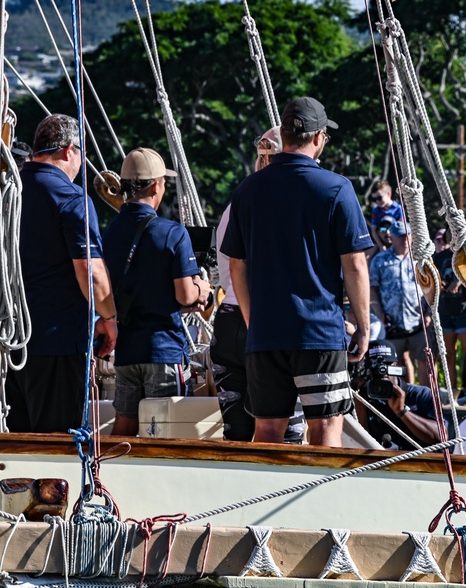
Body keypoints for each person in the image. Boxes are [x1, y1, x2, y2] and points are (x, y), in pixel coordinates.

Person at [221, 96, 373, 447]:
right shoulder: (337, 188)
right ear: (319, 138)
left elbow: (236, 265)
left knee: (268, 432)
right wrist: (363, 327)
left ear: (284, 137)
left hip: (266, 333)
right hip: (318, 332)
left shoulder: (248, 189)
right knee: (325, 430)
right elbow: (354, 264)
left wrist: (251, 319)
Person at [5, 114, 117, 434]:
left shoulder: (9, 191)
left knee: (18, 445)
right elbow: (91, 273)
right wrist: (109, 318)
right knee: (56, 444)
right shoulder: (71, 198)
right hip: (57, 343)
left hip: (11, 343)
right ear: (69, 150)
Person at [103, 148, 211, 436]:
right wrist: (202, 288)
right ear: (156, 185)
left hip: (127, 351)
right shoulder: (172, 232)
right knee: (170, 431)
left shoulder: (109, 233)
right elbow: (185, 297)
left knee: (123, 427)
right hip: (164, 349)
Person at [212, 127, 305, 443]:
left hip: (229, 323)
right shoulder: (285, 205)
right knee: (288, 432)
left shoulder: (237, 202)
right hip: (270, 322)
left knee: (236, 433)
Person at [353, 341, 441, 449]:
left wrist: (402, 411)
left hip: (419, 461)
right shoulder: (360, 395)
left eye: (387, 367)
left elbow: (440, 438)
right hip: (377, 462)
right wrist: (360, 403)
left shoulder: (420, 394)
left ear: (397, 366)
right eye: (374, 369)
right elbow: (359, 444)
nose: (382, 373)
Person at [369, 220, 427, 384]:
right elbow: (373, 289)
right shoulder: (380, 260)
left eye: (407, 235)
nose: (405, 239)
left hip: (418, 320)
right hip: (392, 321)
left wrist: (428, 313)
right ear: (391, 237)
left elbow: (431, 287)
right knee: (397, 362)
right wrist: (380, 314)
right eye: (400, 236)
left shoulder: (420, 259)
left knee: (425, 360)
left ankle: (426, 397)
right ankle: (403, 396)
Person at [432, 227, 466, 390]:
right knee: (448, 356)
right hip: (446, 309)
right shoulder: (439, 257)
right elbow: (432, 277)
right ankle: (452, 391)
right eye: (448, 232)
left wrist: (458, 281)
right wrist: (439, 283)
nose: (451, 235)